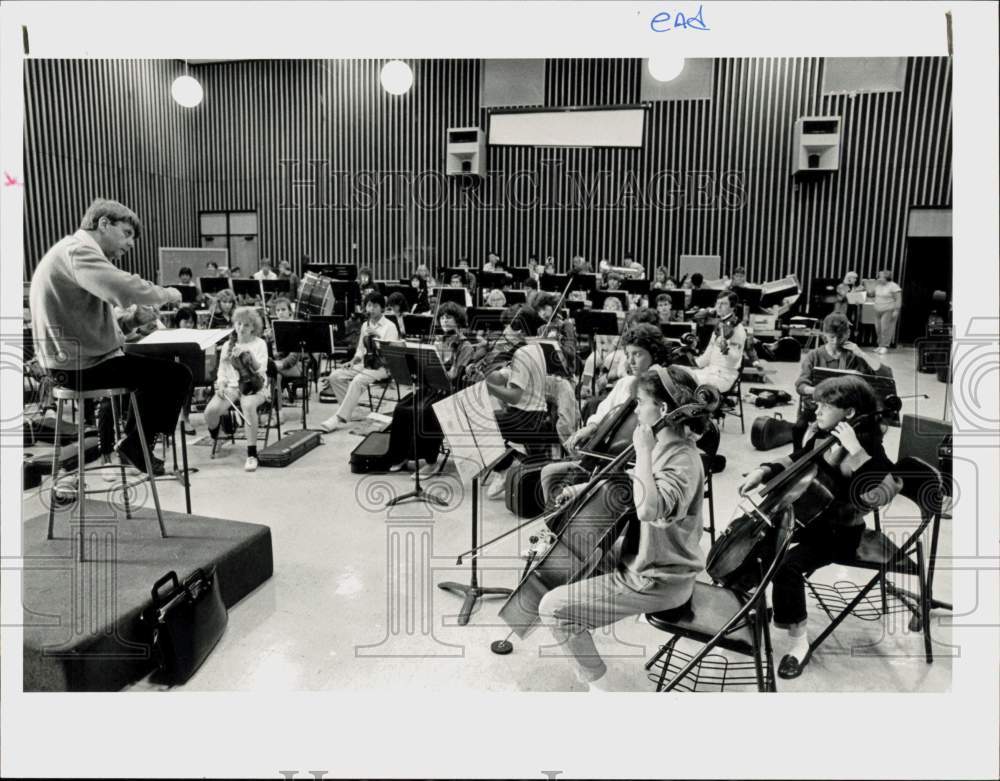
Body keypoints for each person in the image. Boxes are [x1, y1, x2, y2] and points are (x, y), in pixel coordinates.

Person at [538, 365, 707, 691]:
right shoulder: (666, 444)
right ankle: (585, 613)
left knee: (553, 609)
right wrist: (581, 491)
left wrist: (642, 449)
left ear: (662, 410)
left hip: (658, 578)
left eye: (641, 402)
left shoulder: (681, 459)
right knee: (578, 555)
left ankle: (601, 689)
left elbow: (648, 508)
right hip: (644, 555)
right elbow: (637, 482)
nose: (636, 409)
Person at [739, 375, 901, 679]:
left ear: (849, 413)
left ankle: (799, 644)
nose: (817, 412)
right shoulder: (824, 435)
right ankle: (748, 606)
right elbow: (799, 458)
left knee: (787, 567)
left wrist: (856, 450)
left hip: (839, 534)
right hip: (806, 518)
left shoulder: (867, 446)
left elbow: (879, 493)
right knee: (759, 543)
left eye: (825, 406)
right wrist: (764, 471)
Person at [29, 198, 190, 476]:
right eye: (126, 234)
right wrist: (168, 293)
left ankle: (134, 443)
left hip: (75, 364)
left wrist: (132, 320)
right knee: (177, 375)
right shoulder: (79, 251)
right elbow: (124, 287)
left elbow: (92, 328)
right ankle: (135, 445)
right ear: (103, 223)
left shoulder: (73, 255)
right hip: (78, 368)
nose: (130, 244)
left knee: (160, 374)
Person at [540, 323, 664, 506]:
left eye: (637, 354)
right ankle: (555, 524)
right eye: (628, 355)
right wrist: (589, 428)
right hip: (605, 458)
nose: (630, 362)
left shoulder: (661, 389)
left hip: (632, 465)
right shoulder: (625, 383)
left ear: (654, 354)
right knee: (549, 473)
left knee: (562, 480)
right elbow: (605, 410)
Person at [387, 302, 475, 471]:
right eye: (441, 317)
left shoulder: (465, 346)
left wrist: (438, 363)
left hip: (450, 391)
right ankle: (401, 455)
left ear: (458, 320)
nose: (444, 320)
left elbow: (453, 375)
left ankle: (430, 461)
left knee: (425, 411)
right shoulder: (437, 342)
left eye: (448, 317)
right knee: (401, 408)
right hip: (431, 388)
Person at [482, 306, 552, 498]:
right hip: (535, 415)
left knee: (477, 422)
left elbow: (514, 396)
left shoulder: (522, 353)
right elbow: (504, 375)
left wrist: (487, 388)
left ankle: (505, 468)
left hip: (526, 418)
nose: (504, 332)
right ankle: (510, 462)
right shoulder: (535, 348)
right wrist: (486, 374)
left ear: (519, 329)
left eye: (508, 327)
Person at [793, 313, 890, 447]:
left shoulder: (853, 356)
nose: (837, 341)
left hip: (844, 411)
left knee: (871, 430)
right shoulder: (814, 355)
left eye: (841, 337)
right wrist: (820, 391)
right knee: (799, 427)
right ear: (824, 335)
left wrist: (861, 353)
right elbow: (800, 385)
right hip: (819, 408)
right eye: (832, 337)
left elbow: (885, 374)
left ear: (848, 333)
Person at [319, 292, 400, 432]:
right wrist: (353, 361)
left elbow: (391, 355)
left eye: (375, 306)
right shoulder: (364, 325)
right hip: (366, 363)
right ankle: (352, 411)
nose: (372, 309)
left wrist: (377, 337)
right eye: (369, 305)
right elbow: (361, 350)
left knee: (357, 380)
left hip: (382, 367)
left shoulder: (390, 326)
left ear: (382, 308)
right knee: (335, 376)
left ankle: (338, 418)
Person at [204, 307, 270, 472]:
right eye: (239, 324)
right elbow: (222, 370)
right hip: (233, 386)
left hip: (255, 386)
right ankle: (217, 435)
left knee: (247, 407)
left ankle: (252, 454)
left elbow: (261, 370)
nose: (242, 328)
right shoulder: (228, 345)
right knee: (210, 412)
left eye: (246, 325)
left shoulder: (260, 343)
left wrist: (249, 355)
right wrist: (220, 384)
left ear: (253, 327)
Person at [680, 290, 746, 392]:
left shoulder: (738, 329)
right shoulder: (719, 325)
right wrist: (695, 363)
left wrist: (726, 350)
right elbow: (710, 349)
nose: (718, 307)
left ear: (732, 307)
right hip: (710, 371)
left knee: (687, 383)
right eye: (717, 303)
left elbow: (735, 359)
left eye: (723, 304)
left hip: (724, 376)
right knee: (679, 374)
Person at [533, 291, 578, 378]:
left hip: (564, 374)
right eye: (539, 311)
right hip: (546, 373)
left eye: (544, 308)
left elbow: (571, 353)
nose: (542, 313)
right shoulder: (541, 329)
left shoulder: (566, 325)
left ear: (553, 307)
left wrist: (556, 344)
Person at [270, 296, 304, 403]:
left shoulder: (296, 328)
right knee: (276, 376)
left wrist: (279, 364)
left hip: (292, 366)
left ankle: (271, 403)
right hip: (276, 365)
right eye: (278, 310)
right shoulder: (272, 329)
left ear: (290, 311)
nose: (280, 313)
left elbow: (294, 357)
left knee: (270, 371)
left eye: (283, 309)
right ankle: (276, 405)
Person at [872, 269, 902, 354]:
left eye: (880, 276)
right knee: (878, 328)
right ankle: (880, 345)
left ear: (886, 277)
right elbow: (872, 294)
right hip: (877, 310)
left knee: (885, 329)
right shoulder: (878, 285)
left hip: (888, 310)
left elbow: (898, 299)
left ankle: (885, 346)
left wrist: (896, 310)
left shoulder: (894, 286)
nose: (878, 278)